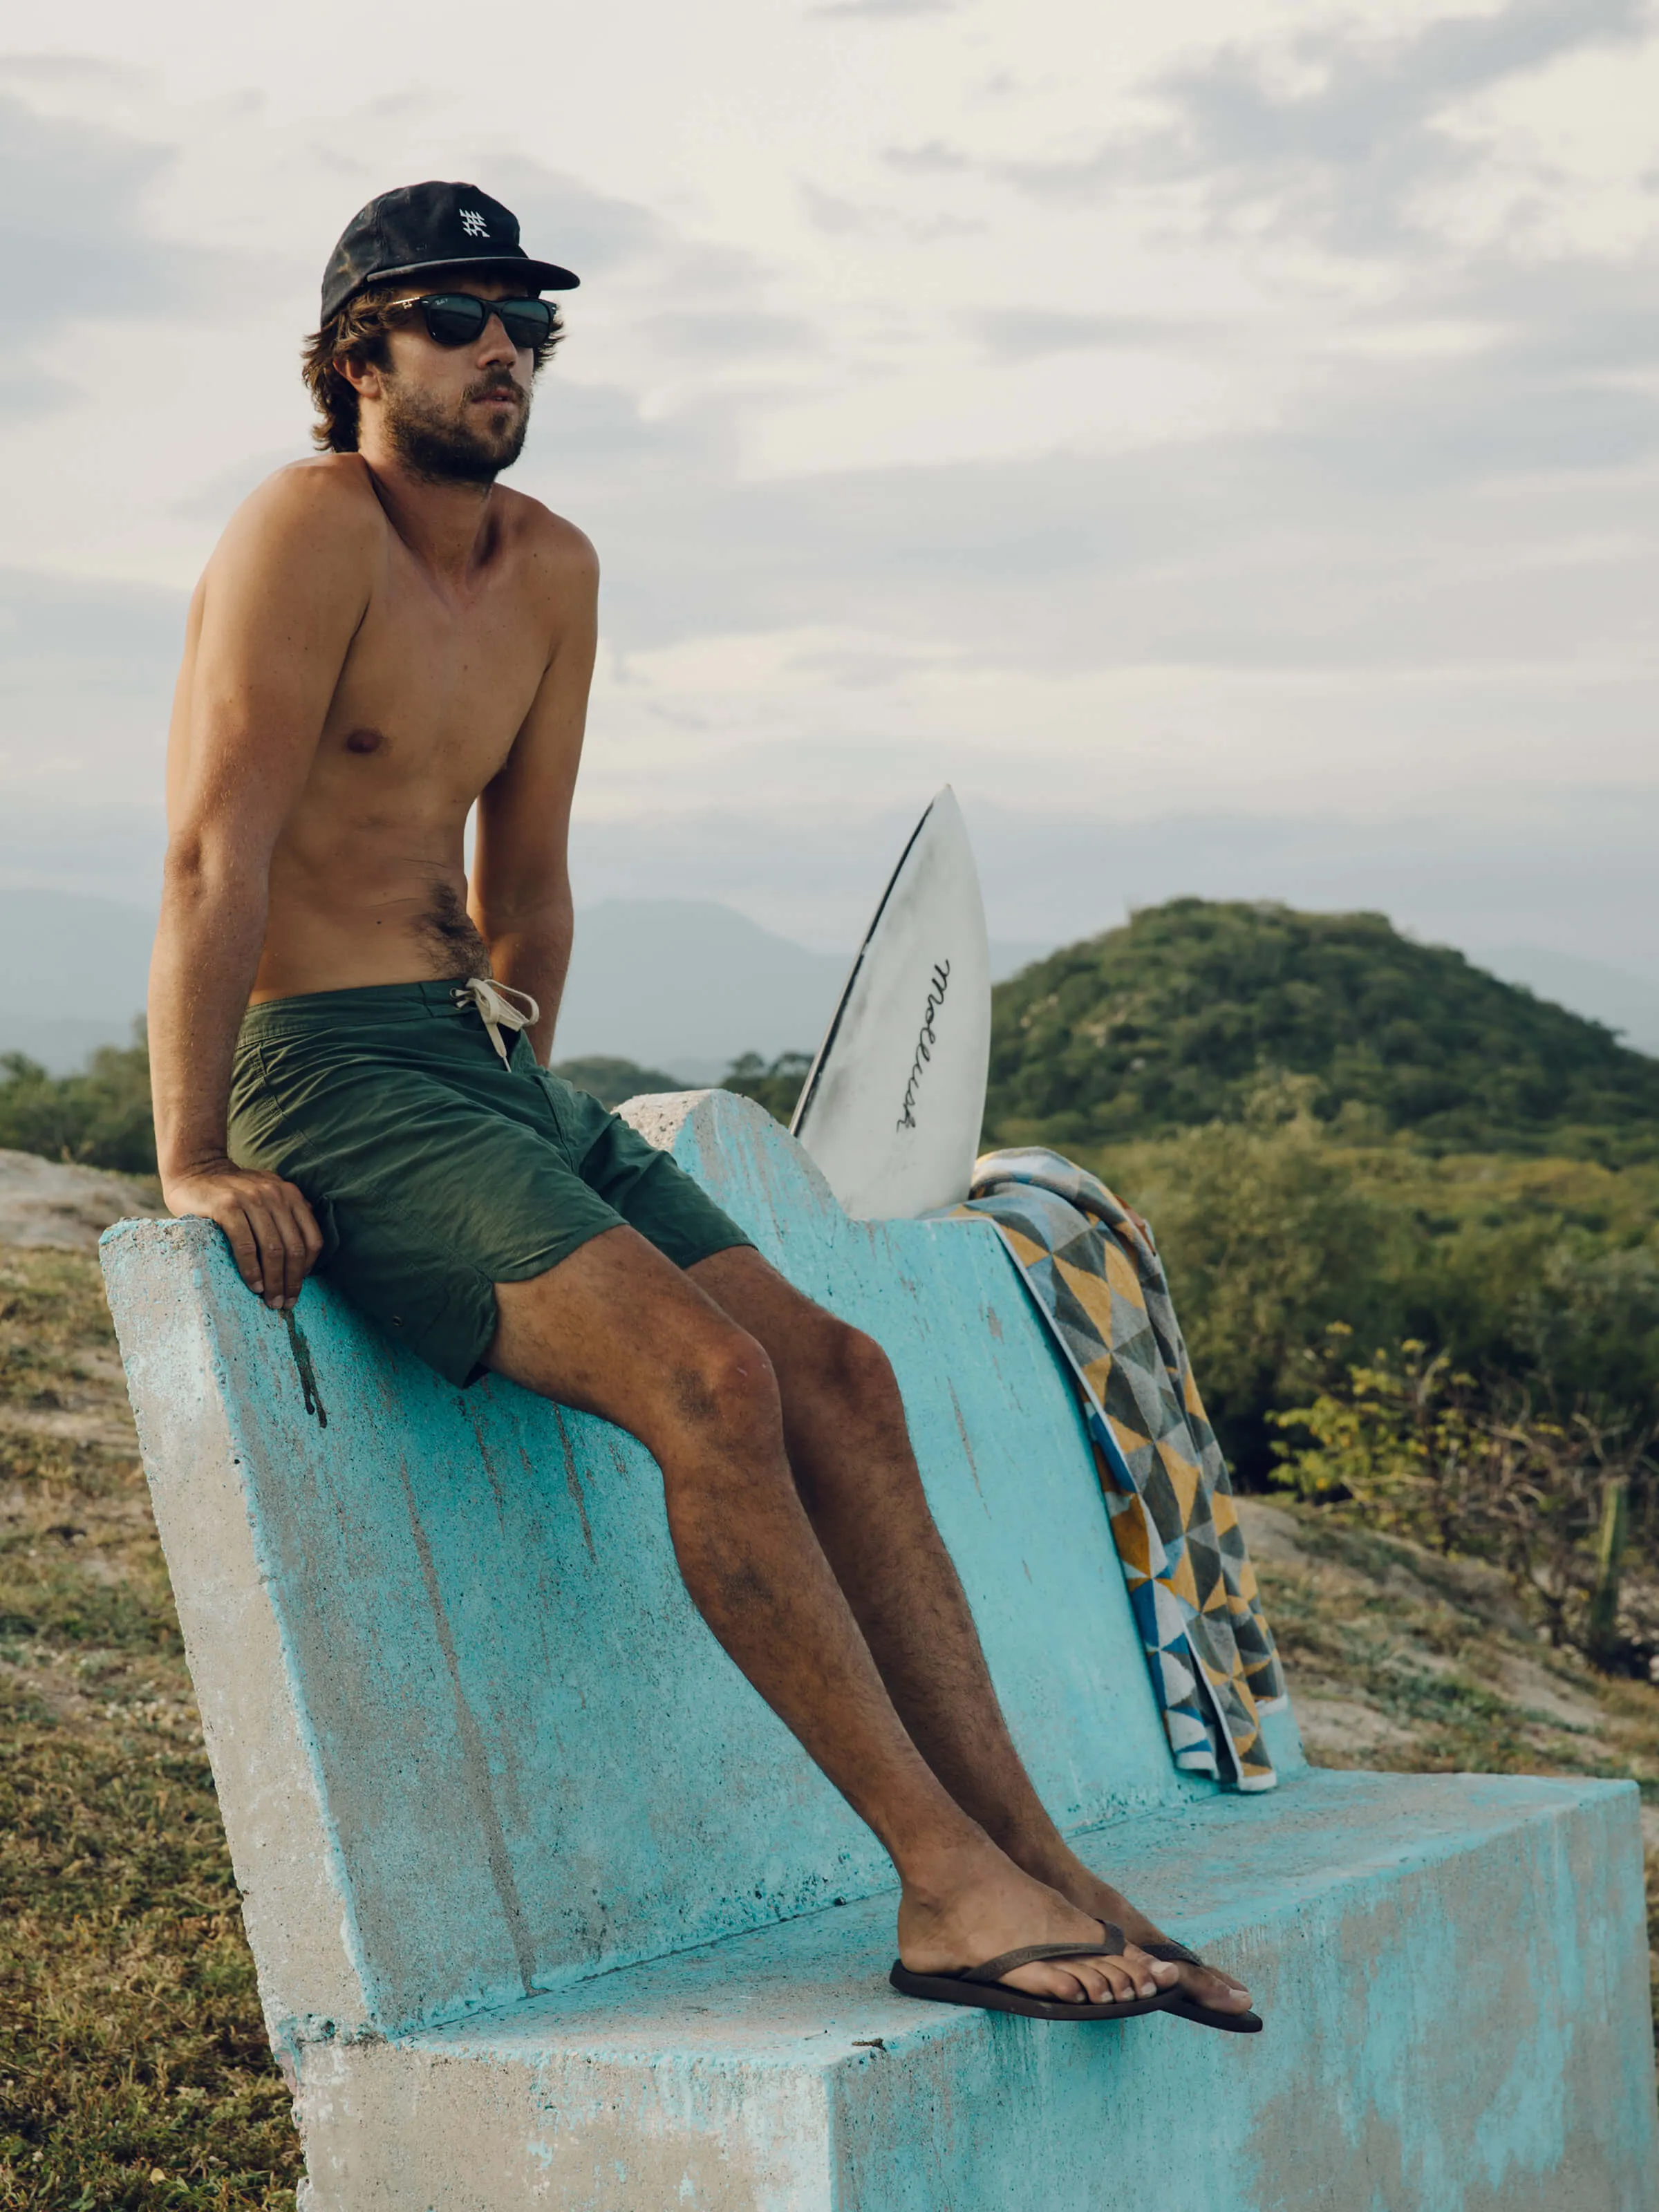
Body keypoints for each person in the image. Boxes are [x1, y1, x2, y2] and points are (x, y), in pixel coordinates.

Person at [151, 180, 1255, 2030]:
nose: (505, 345)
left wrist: (523, 1092)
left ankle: (1039, 1857)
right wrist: (192, 1152)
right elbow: (213, 849)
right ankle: (941, 1882)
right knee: (714, 1386)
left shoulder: (557, 567)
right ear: (361, 352)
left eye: (531, 320)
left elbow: (537, 879)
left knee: (840, 1378)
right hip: (332, 1077)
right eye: (459, 314)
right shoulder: (307, 528)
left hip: (485, 1070)